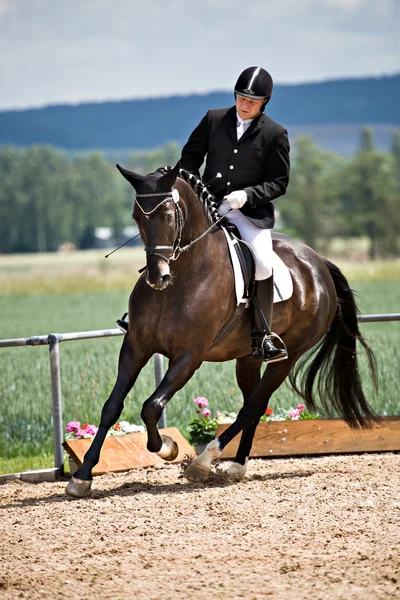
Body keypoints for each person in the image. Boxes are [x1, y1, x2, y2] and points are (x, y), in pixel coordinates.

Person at [180, 66, 290, 363]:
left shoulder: (274, 134)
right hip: (208, 205)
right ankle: (143, 316)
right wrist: (197, 190)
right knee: (169, 241)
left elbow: (279, 182)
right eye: (241, 98)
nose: (245, 105)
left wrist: (247, 195)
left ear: (264, 102)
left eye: (252, 102)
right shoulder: (214, 119)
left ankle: (262, 335)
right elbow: (189, 159)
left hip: (248, 212)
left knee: (264, 264)